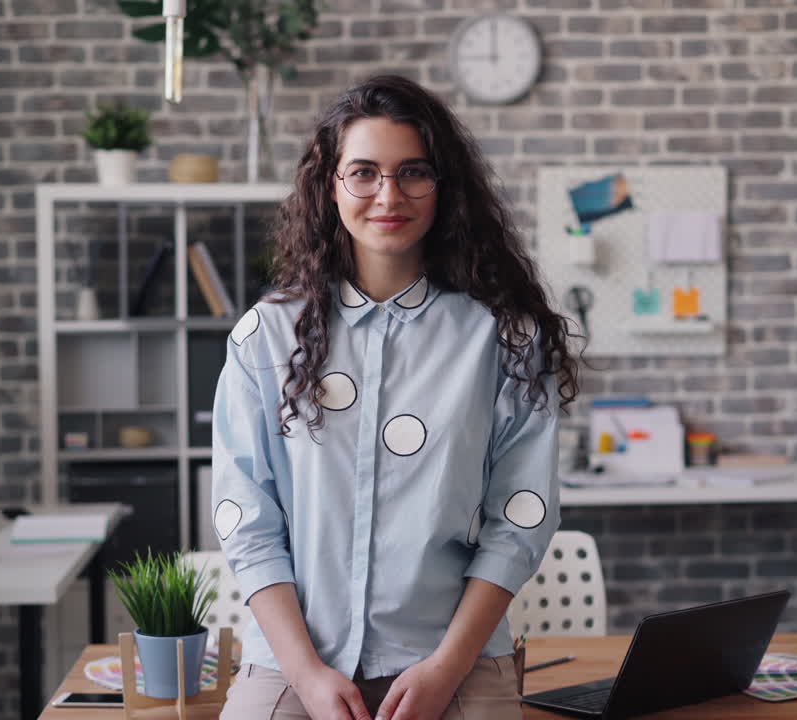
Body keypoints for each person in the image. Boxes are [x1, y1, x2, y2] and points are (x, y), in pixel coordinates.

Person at [212, 74, 580, 720]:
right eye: (364, 173)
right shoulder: (264, 337)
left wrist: (444, 669)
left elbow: (520, 520)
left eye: (413, 171)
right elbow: (248, 524)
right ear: (331, 186)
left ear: (444, 186)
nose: (389, 195)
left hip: (452, 659)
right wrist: (307, 674)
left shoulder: (505, 337)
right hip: (297, 662)